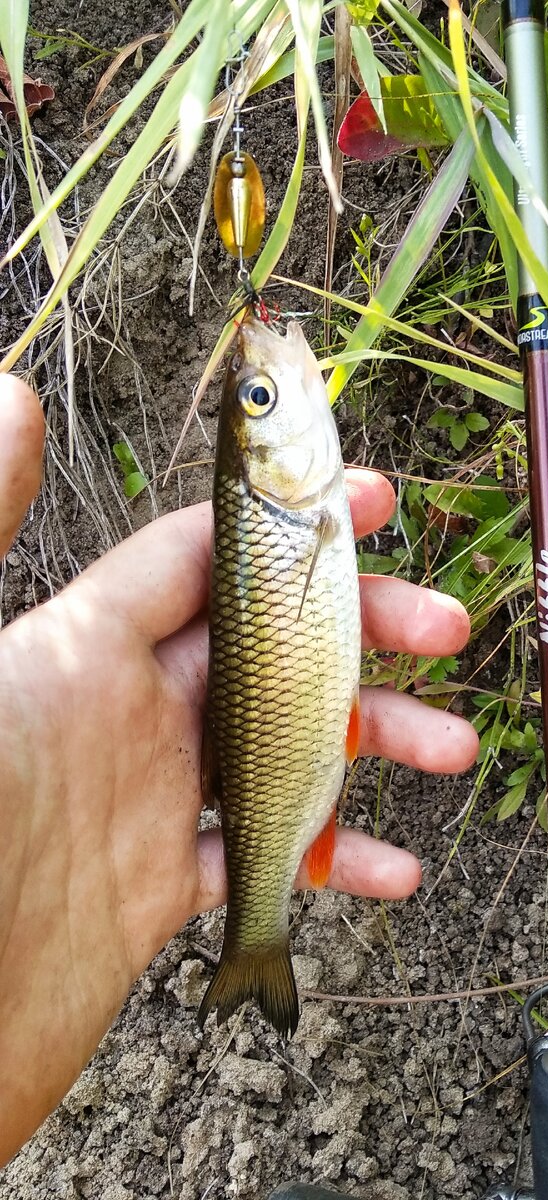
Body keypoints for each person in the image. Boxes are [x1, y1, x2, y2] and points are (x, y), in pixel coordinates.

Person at [0, 374, 478, 1167]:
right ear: (256, 456)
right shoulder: (283, 509)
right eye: (259, 399)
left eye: (257, 397)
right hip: (285, 742)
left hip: (286, 731)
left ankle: (256, 941)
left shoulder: (283, 512)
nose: (268, 386)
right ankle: (256, 941)